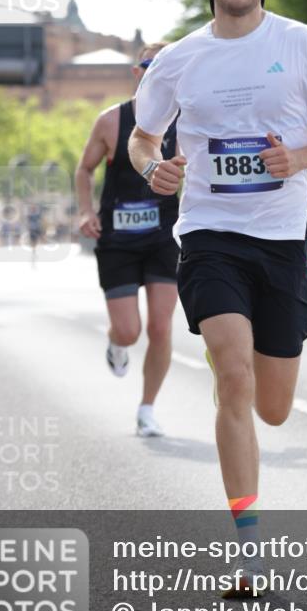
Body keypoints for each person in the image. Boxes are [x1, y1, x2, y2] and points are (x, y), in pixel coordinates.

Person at [129, 0, 307, 595]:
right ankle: (247, 551)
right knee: (229, 372)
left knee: (273, 408)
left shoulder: (302, 46)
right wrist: (154, 171)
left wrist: (301, 156)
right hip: (209, 235)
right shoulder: (177, 59)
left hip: (282, 239)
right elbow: (143, 138)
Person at [76, 44, 180, 437]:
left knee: (160, 328)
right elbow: (84, 169)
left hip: (163, 238)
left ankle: (147, 409)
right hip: (117, 238)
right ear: (138, 73)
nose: (158, 73)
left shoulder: (185, 121)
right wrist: (86, 211)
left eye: (166, 67)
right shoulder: (110, 121)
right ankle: (115, 342)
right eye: (151, 66)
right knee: (129, 331)